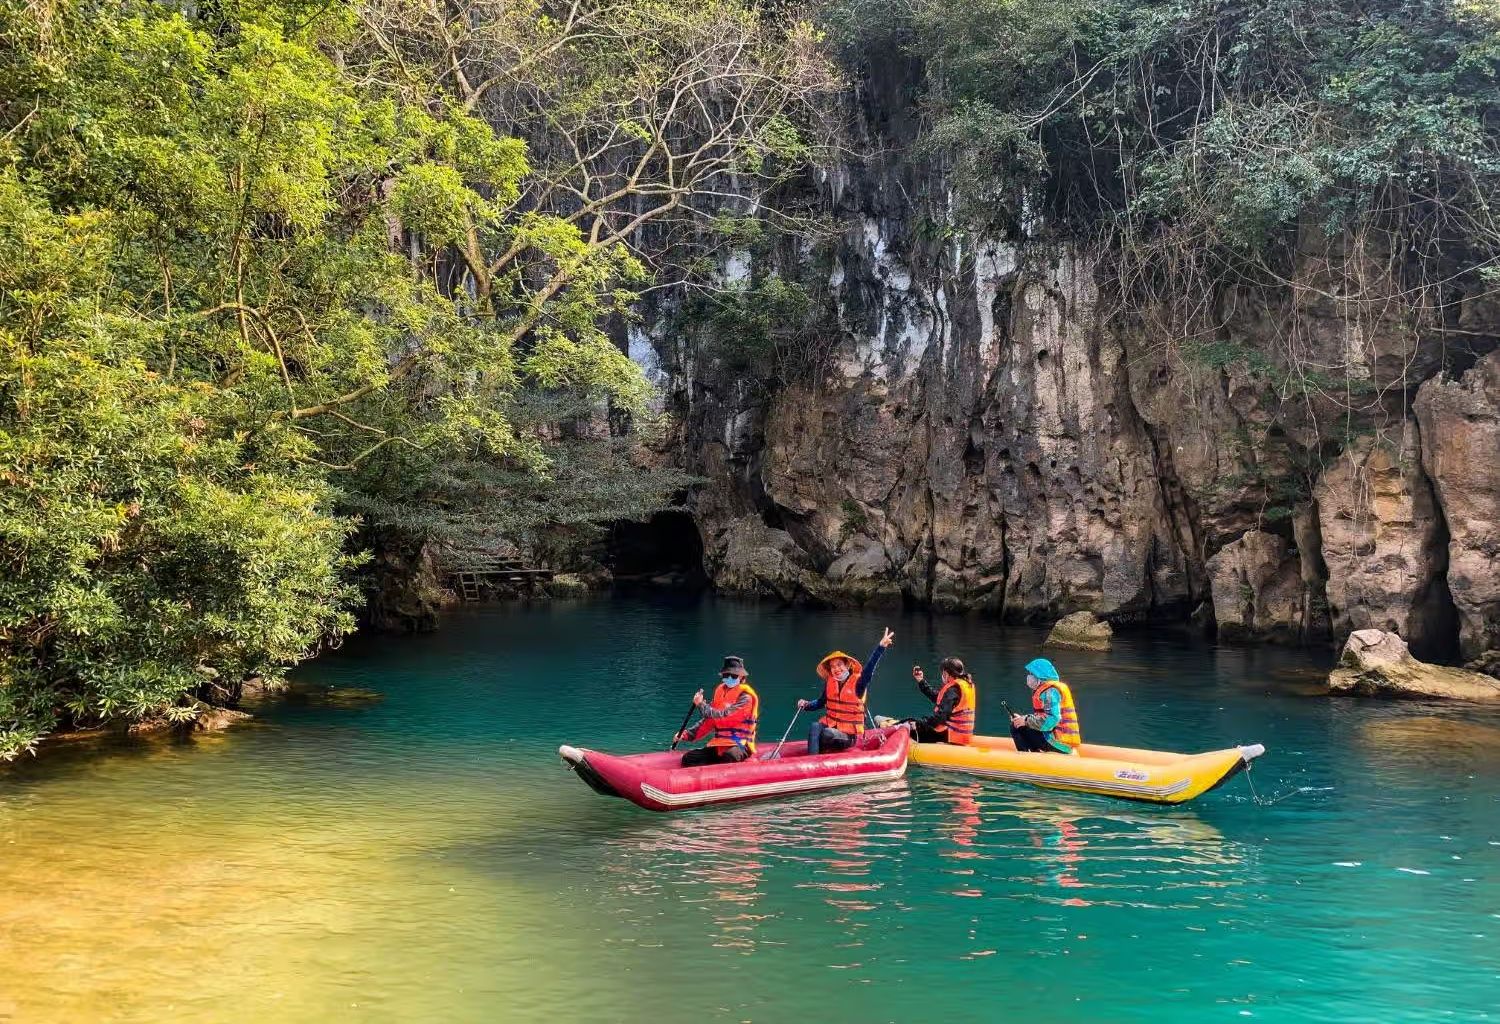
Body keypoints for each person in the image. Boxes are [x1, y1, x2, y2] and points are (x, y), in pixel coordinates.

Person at [798, 627, 894, 755]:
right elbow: (820, 703)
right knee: (815, 726)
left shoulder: (859, 683)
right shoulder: (830, 683)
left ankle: (817, 759)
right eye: (832, 667)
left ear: (847, 665)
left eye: (839, 665)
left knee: (826, 733)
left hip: (848, 736)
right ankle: (811, 762)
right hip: (832, 728)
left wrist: (880, 647)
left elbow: (869, 670)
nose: (836, 669)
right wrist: (806, 705)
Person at [676, 656, 760, 767]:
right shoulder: (720, 692)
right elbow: (709, 721)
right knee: (689, 758)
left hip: (740, 744)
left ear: (741, 677)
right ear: (722, 676)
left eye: (734, 676)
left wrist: (701, 705)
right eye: (726, 675)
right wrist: (686, 734)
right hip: (720, 744)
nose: (729, 678)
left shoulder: (745, 698)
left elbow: (724, 717)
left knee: (730, 756)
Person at [1008, 657, 1081, 754]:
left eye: (1031, 674)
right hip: (1057, 739)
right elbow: (1044, 717)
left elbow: (1052, 719)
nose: (1029, 677)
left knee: (1015, 726)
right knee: (1018, 724)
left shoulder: (1050, 693)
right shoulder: (1048, 691)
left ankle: (1026, 758)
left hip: (1059, 742)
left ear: (1040, 676)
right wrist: (1022, 719)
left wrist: (1026, 720)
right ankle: (1034, 754)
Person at [909, 657, 977, 744]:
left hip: (949, 735)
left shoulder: (953, 690)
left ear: (946, 673)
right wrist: (921, 680)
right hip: (963, 735)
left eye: (943, 672)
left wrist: (920, 724)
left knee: (908, 724)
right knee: (915, 722)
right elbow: (938, 698)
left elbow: (940, 718)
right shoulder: (965, 685)